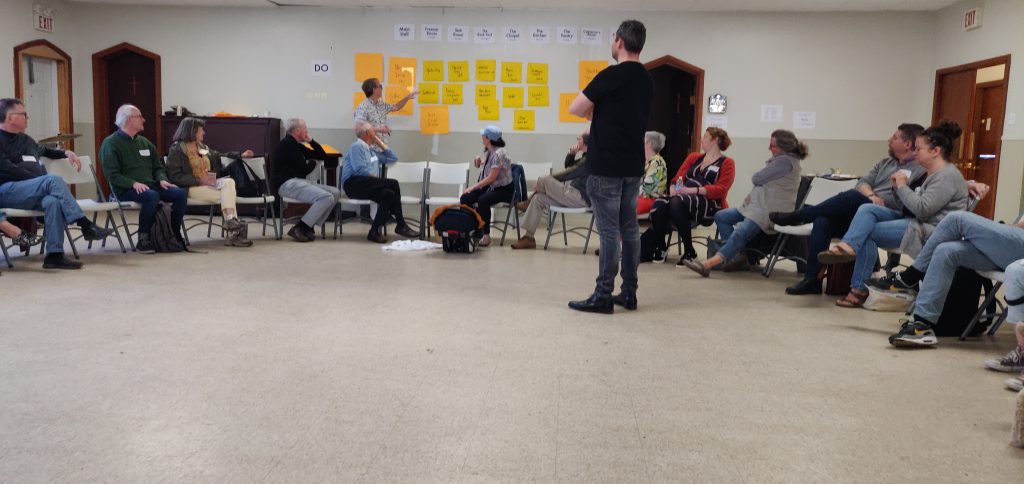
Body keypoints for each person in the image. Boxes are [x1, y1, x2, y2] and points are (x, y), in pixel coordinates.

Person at [819, 121, 969, 308]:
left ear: (935, 151)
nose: (915, 153)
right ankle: (849, 250)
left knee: (867, 233)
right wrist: (897, 189)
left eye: (919, 149)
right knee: (867, 209)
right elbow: (909, 207)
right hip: (917, 222)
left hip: (931, 230)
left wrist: (902, 186)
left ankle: (858, 288)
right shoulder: (935, 173)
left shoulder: (946, 175)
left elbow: (922, 209)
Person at [769, 124, 925, 295]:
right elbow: (862, 183)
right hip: (865, 212)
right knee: (823, 222)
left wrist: (875, 198)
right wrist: (871, 195)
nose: (889, 140)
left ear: (908, 144)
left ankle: (799, 216)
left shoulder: (919, 170)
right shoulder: (885, 163)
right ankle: (812, 279)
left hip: (890, 215)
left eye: (895, 137)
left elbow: (911, 203)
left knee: (853, 197)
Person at [566, 19, 654, 314]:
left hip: (606, 166)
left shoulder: (610, 75)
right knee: (629, 230)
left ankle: (603, 294)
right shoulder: (646, 79)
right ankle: (629, 292)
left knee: (608, 232)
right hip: (632, 165)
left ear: (618, 42)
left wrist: (594, 108)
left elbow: (575, 108)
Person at [867, 211, 1024, 347]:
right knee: (946, 251)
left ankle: (910, 277)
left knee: (956, 219)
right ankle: (922, 325)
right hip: (1014, 250)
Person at [0, 97, 113, 268]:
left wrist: (65, 153)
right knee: (52, 180)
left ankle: (54, 254)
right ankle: (84, 224)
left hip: (32, 191)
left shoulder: (25, 139)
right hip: (8, 191)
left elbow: (45, 150)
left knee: (52, 202)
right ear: (9, 117)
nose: (27, 118)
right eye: (23, 114)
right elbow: (7, 168)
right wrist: (39, 181)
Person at [681, 129, 804, 277]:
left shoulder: (784, 162)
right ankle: (738, 256)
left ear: (784, 147)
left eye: (773, 146)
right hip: (756, 207)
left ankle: (708, 264)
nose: (769, 148)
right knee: (721, 216)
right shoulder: (780, 159)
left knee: (740, 233)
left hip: (769, 211)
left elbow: (757, 178)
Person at [101, 104, 186, 254]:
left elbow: (158, 167)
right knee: (151, 196)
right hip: (125, 189)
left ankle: (172, 233)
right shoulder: (110, 144)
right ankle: (143, 238)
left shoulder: (145, 143)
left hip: (149, 185)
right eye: (139, 117)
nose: (144, 120)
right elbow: (112, 175)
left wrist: (161, 179)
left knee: (179, 193)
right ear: (127, 120)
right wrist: (133, 183)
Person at [647, 127, 735, 263]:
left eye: (705, 137)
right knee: (659, 204)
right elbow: (678, 177)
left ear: (716, 140)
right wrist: (673, 188)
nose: (701, 140)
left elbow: (721, 189)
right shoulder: (694, 157)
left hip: (709, 202)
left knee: (677, 202)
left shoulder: (727, 163)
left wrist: (694, 191)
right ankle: (661, 247)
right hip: (683, 197)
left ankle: (689, 251)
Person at [165, 117, 253, 247]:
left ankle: (230, 221)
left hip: (209, 185)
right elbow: (174, 177)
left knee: (229, 182)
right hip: (191, 188)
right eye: (201, 130)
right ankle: (234, 233)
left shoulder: (202, 147)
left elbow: (220, 155)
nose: (203, 133)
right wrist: (198, 180)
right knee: (228, 195)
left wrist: (240, 155)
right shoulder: (177, 150)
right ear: (192, 131)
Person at [341, 121, 420, 243]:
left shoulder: (372, 151)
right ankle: (401, 224)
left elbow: (393, 157)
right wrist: (376, 179)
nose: (376, 134)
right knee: (393, 183)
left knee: (389, 194)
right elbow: (359, 169)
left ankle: (374, 231)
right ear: (367, 133)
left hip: (367, 185)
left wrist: (379, 143)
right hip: (353, 184)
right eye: (374, 131)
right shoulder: (356, 147)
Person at [510, 132, 591, 250]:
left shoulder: (589, 160)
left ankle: (528, 202)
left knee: (544, 178)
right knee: (538, 199)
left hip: (580, 197)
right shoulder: (585, 157)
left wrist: (544, 182)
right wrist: (571, 154)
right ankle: (529, 238)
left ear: (582, 142)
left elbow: (568, 174)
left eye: (578, 139)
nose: (577, 141)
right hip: (571, 196)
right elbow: (568, 166)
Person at [271, 118, 341, 243]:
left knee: (335, 193)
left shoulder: (297, 144)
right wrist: (313, 162)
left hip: (298, 182)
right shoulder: (287, 144)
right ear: (298, 131)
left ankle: (309, 225)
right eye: (305, 129)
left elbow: (322, 155)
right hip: (287, 184)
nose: (307, 132)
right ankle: (301, 227)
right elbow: (305, 170)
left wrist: (311, 141)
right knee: (326, 197)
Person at [460, 125, 514, 247]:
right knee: (465, 198)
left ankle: (486, 235)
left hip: (504, 190)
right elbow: (490, 165)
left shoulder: (499, 153)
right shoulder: (491, 150)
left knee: (482, 200)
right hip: (493, 187)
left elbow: (491, 178)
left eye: (483, 135)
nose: (482, 137)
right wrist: (480, 162)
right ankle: (471, 228)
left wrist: (473, 187)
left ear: (488, 138)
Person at [354, 78, 417, 147]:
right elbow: (359, 129)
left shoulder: (380, 104)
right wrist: (380, 129)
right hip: (371, 148)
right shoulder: (363, 107)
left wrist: (407, 98)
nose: (382, 88)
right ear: (373, 89)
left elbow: (396, 107)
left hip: (382, 147)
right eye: (380, 86)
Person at [636, 131, 667, 215]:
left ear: (648, 143)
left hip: (650, 200)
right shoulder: (647, 162)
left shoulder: (657, 162)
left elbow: (647, 189)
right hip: (641, 198)